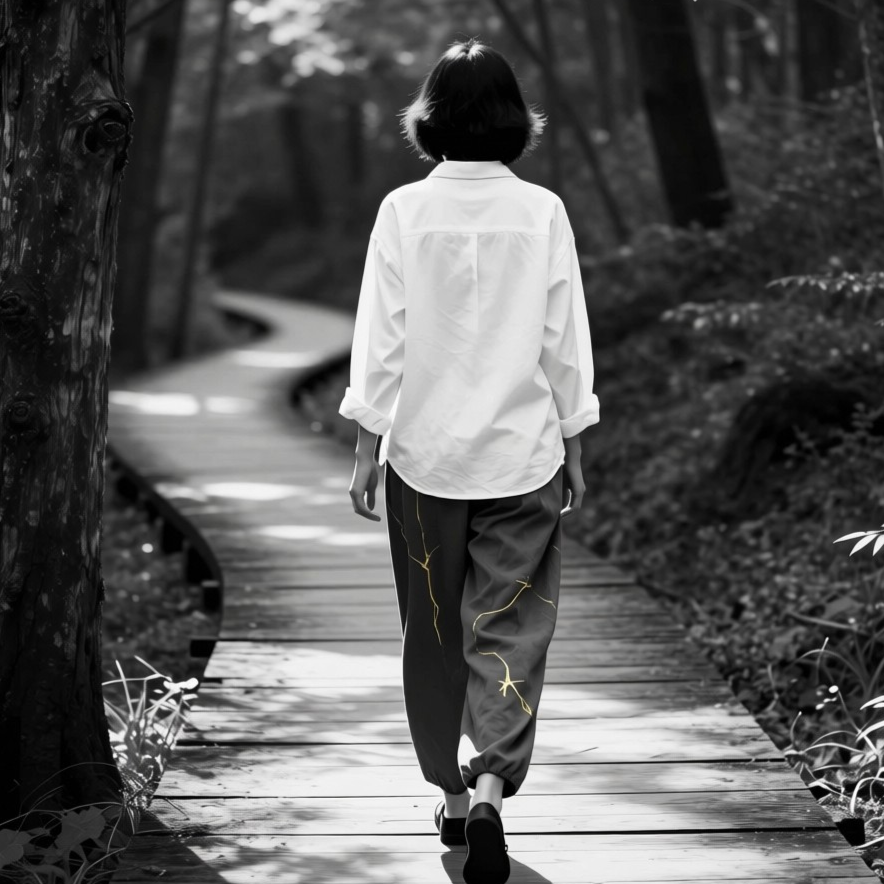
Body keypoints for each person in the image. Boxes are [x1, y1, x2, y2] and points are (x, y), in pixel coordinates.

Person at [339, 37, 599, 884]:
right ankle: (490, 782)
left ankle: (449, 799)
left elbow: (383, 337)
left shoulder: (402, 212)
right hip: (523, 457)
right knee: (513, 625)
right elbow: (565, 339)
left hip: (425, 459)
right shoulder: (544, 211)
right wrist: (575, 436)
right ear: (514, 121)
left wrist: (368, 442)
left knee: (434, 629)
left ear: (432, 119)